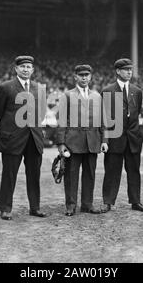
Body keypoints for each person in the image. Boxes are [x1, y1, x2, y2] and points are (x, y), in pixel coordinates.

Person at [0, 55, 47, 220]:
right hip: (13, 139)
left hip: (34, 138)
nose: (25, 69)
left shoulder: (40, 88)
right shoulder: (6, 87)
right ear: (16, 69)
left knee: (34, 175)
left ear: (33, 70)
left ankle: (35, 207)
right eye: (22, 66)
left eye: (28, 67)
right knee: (9, 174)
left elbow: (42, 112)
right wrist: (11, 129)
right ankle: (6, 208)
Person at [56, 64, 108, 216]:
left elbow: (103, 121)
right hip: (73, 143)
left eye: (87, 75)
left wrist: (104, 140)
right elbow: (62, 120)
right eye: (81, 75)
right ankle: (71, 205)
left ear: (90, 77)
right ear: (75, 77)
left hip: (92, 141)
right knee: (71, 175)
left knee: (90, 174)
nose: (84, 78)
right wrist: (61, 143)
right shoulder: (67, 95)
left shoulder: (97, 96)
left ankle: (87, 204)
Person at [100, 58, 143, 213]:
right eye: (125, 69)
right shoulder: (107, 91)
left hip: (133, 138)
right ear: (117, 71)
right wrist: (105, 139)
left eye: (130, 69)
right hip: (115, 138)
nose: (129, 72)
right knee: (112, 171)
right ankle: (108, 201)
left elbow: (137, 114)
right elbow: (104, 118)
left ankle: (135, 201)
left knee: (134, 171)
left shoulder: (137, 91)